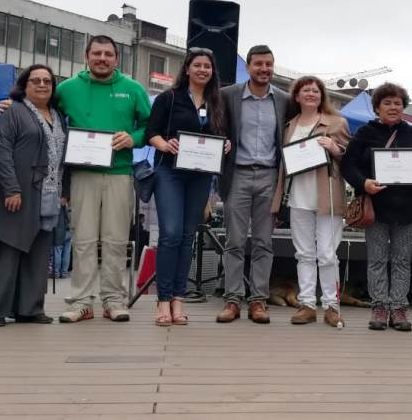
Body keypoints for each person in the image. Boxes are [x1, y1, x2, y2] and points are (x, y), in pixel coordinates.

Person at [56, 35, 151, 323]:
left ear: (117, 59)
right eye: (96, 53)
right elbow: (47, 114)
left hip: (120, 173)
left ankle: (113, 299)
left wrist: (132, 138)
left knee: (115, 240)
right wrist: (12, 103)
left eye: (108, 54)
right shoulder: (66, 88)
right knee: (83, 239)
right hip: (83, 173)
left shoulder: (133, 89)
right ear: (87, 56)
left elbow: (150, 126)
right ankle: (82, 302)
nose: (102, 59)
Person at [144, 48, 229, 327]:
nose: (203, 70)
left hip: (201, 176)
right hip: (170, 171)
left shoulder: (217, 102)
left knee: (187, 235)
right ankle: (163, 300)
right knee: (170, 234)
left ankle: (179, 298)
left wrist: (226, 144)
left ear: (212, 71)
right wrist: (163, 144)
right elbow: (150, 133)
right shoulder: (169, 98)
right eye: (198, 65)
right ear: (187, 68)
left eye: (208, 66)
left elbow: (220, 136)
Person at [341, 82, 412, 332]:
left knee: (402, 259)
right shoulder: (364, 133)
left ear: (404, 107)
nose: (393, 107)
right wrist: (364, 183)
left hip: (407, 207)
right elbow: (348, 166)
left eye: (398, 103)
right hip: (376, 207)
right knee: (378, 259)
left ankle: (399, 308)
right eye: (387, 103)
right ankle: (379, 306)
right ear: (377, 107)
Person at [0, 64, 67, 326]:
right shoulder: (14, 111)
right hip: (18, 191)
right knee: (8, 248)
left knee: (38, 251)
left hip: (50, 192)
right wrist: (11, 188)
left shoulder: (58, 115)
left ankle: (29, 308)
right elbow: (2, 151)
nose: (42, 85)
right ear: (24, 85)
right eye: (36, 81)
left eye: (47, 81)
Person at [216, 45, 289, 324]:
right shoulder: (228, 95)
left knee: (263, 242)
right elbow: (214, 126)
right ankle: (232, 299)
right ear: (248, 67)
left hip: (270, 176)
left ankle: (258, 300)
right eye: (258, 64)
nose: (264, 69)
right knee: (234, 241)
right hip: (238, 175)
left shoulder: (283, 99)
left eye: (269, 64)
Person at [271, 76, 350, 327]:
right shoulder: (288, 125)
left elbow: (351, 159)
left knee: (327, 254)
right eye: (305, 90)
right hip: (297, 196)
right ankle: (307, 304)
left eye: (315, 91)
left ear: (321, 95)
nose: (311, 94)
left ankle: (331, 305)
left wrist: (335, 149)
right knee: (304, 253)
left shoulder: (337, 122)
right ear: (296, 96)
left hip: (327, 195)